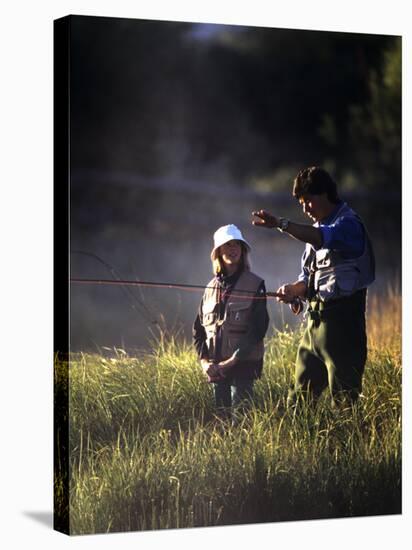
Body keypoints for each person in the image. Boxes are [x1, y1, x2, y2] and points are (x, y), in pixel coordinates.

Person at [252, 166, 375, 407]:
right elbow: (309, 279)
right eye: (301, 203)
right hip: (313, 327)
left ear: (325, 194)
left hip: (343, 326)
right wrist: (294, 290)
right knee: (299, 399)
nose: (305, 208)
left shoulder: (348, 225)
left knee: (345, 400)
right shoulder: (315, 231)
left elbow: (323, 239)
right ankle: (300, 443)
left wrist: (280, 223)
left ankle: (347, 444)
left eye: (308, 201)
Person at [193, 224, 269, 419]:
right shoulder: (210, 288)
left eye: (237, 245)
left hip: (243, 367)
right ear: (218, 251)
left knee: (242, 422)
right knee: (222, 423)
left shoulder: (255, 284)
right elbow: (198, 331)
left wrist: (233, 360)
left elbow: (258, 328)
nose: (233, 249)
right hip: (216, 369)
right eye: (227, 245)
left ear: (243, 251)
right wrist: (204, 362)